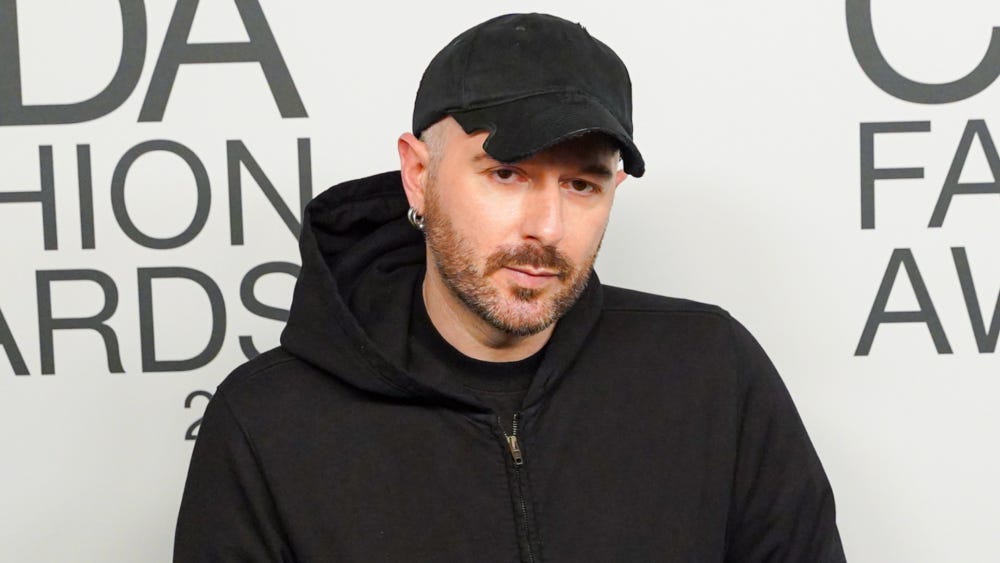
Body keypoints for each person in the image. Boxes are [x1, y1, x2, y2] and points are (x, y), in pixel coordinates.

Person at [174, 12, 846, 562]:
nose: (547, 228)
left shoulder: (712, 374)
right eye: (507, 174)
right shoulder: (269, 424)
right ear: (418, 174)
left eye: (581, 184)